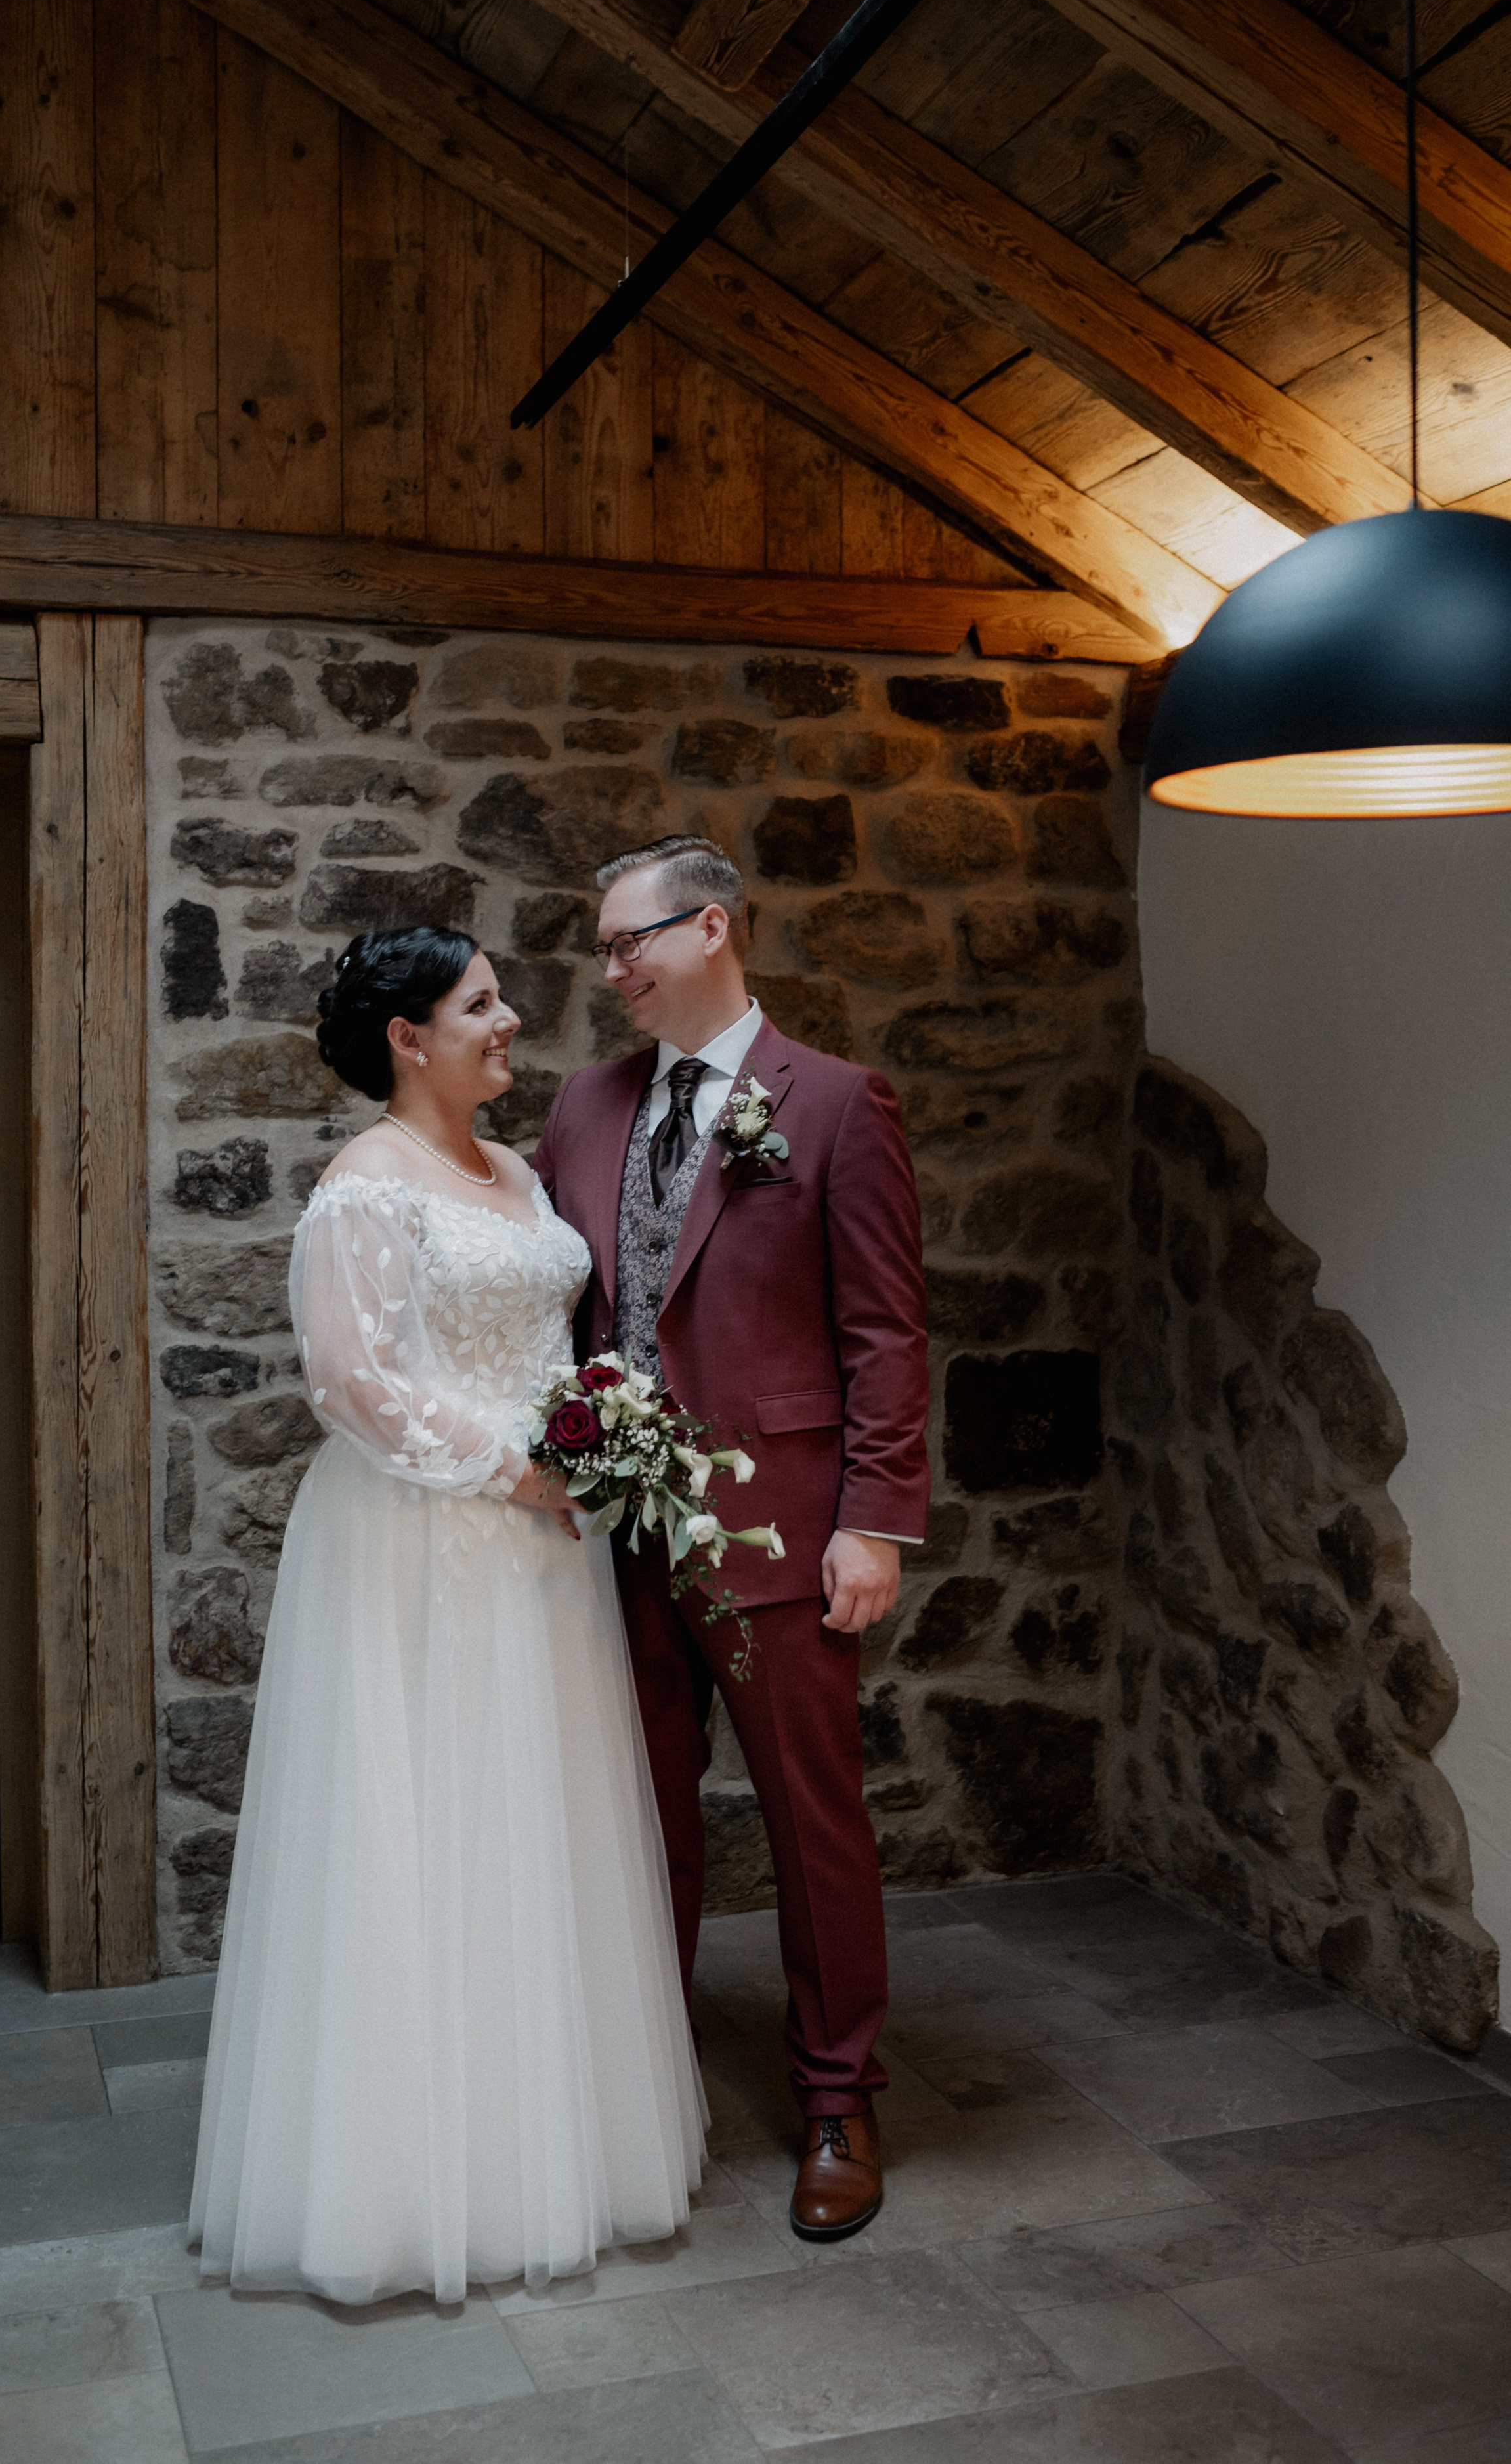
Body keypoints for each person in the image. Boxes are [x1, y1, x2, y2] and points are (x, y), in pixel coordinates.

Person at [188, 926, 705, 2307]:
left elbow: (550, 1341)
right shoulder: (365, 1187)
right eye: (481, 1003)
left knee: (527, 1832)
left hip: (543, 1552)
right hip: (427, 1541)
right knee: (423, 1833)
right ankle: (404, 2184)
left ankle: (548, 2149)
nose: (510, 1018)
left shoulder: (518, 1171)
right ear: (408, 1037)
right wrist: (519, 1468)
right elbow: (351, 1383)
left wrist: (594, 1451)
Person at [535, 836, 929, 2245]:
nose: (608, 971)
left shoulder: (830, 1103)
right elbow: (560, 1314)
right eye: (597, 949)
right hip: (612, 1538)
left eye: (626, 941)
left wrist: (873, 1521)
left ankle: (836, 2097)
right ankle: (648, 2082)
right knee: (637, 1825)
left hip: (776, 1532)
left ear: (710, 928)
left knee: (810, 1822)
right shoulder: (580, 1108)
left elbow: (883, 1331)